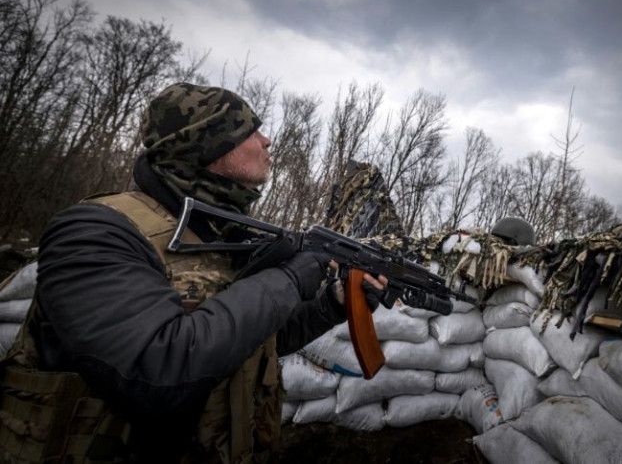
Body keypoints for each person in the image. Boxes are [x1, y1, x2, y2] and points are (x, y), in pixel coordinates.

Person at [0, 83, 387, 463]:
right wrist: (287, 280)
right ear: (209, 145)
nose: (267, 140)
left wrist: (331, 305)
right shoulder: (96, 229)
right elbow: (156, 370)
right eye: (250, 131)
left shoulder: (216, 233)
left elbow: (248, 341)